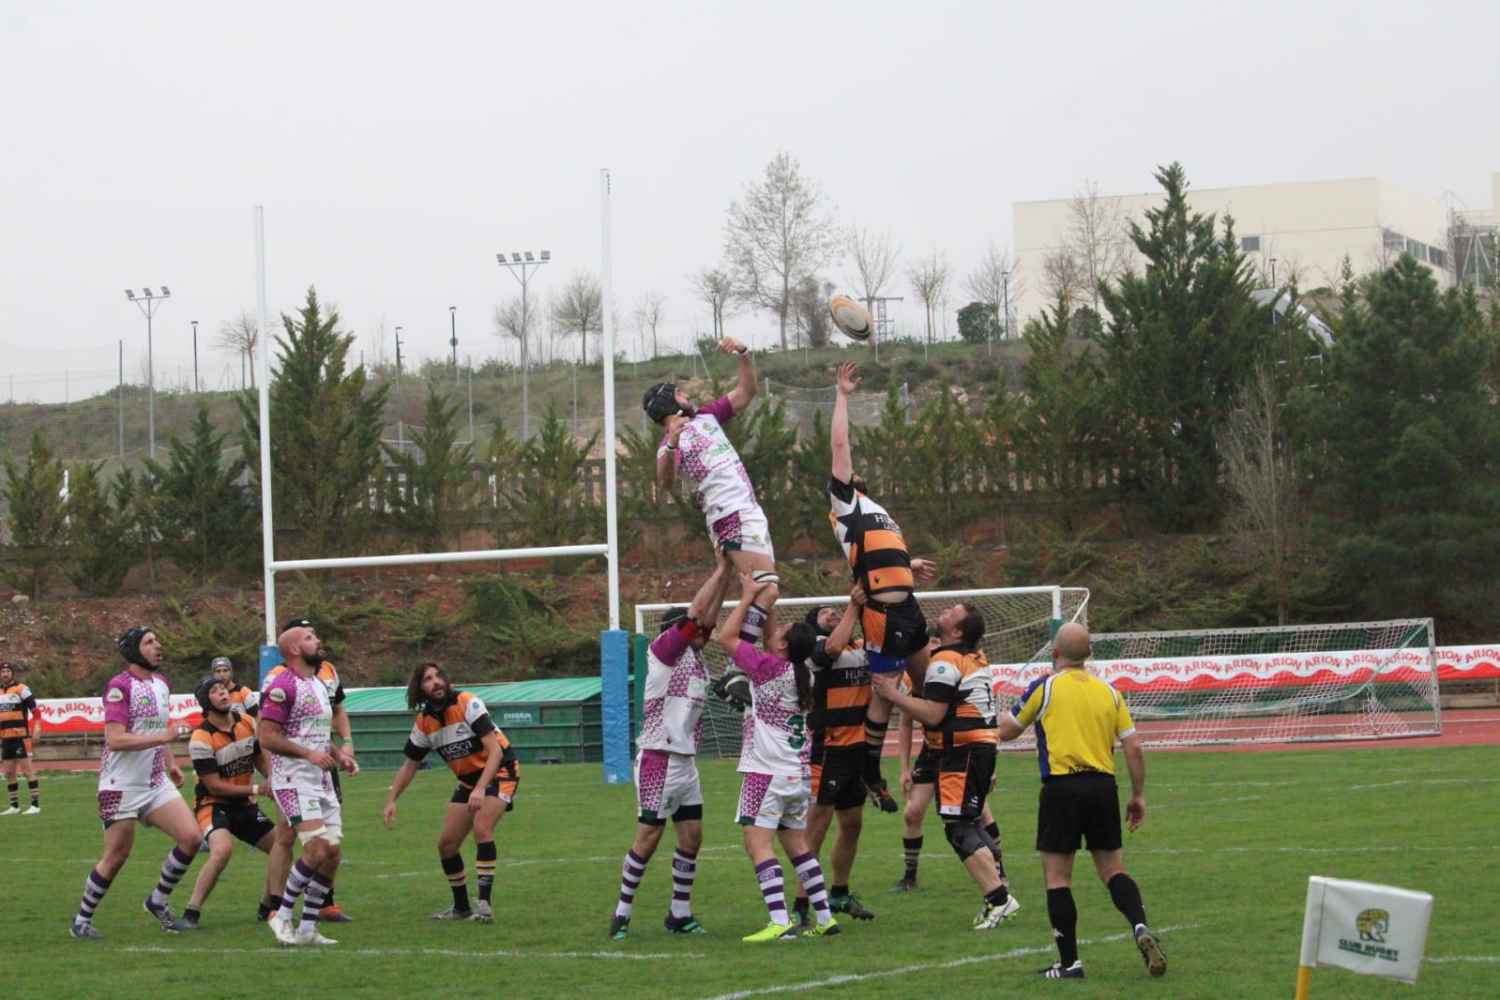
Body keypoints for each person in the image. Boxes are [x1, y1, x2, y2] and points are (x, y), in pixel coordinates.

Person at [996, 622, 1167, 980]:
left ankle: (1070, 963)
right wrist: (1137, 795)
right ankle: (1139, 925)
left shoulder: (1045, 687)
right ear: (1090, 655)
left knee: (1058, 878)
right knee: (1113, 870)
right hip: (1104, 787)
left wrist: (993, 715)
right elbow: (1133, 746)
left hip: (1062, 788)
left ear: (1055, 654)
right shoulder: (1109, 691)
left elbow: (1007, 731)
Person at [827, 361, 936, 810]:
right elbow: (839, 444)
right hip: (882, 614)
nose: (855, 473)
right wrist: (842, 396)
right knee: (887, 694)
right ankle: (871, 770)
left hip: (908, 606)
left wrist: (910, 563)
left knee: (932, 684)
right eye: (850, 474)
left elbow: (883, 552)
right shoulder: (844, 504)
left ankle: (943, 753)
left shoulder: (875, 508)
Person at [873, 602, 1019, 930]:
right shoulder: (972, 657)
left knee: (959, 826)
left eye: (952, 613)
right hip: (973, 748)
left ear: (956, 631)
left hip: (962, 750)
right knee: (968, 820)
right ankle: (997, 892)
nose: (945, 612)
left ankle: (999, 898)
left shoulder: (945, 661)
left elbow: (932, 715)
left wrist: (891, 694)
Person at [610, 556, 730, 940]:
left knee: (692, 835)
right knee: (648, 838)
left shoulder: (695, 658)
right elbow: (698, 614)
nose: (701, 632)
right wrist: (718, 570)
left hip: (685, 762)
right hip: (658, 760)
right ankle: (621, 914)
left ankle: (679, 914)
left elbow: (707, 616)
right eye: (692, 629)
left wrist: (727, 574)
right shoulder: (663, 653)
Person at [715, 572, 839, 942]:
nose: (777, 633)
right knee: (798, 846)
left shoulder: (769, 669)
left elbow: (726, 637)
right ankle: (824, 916)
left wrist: (748, 596)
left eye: (782, 631)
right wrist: (770, 601)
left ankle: (779, 920)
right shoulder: (804, 674)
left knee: (757, 843)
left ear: (784, 647)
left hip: (764, 773)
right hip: (796, 775)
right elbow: (772, 642)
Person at [645, 336, 781, 649]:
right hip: (730, 513)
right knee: (766, 589)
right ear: (669, 404)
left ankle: (756, 657)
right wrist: (673, 442)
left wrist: (744, 354)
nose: (687, 395)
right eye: (680, 393)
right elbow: (664, 482)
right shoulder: (670, 442)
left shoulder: (706, 416)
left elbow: (746, 392)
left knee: (766, 594)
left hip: (746, 508)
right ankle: (741, 659)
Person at [71, 627, 200, 940]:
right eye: (149, 642)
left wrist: (171, 763)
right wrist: (166, 736)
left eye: (157, 639)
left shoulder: (162, 683)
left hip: (154, 781)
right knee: (116, 856)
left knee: (192, 838)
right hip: (121, 785)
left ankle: (157, 900)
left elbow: (156, 727)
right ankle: (82, 921)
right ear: (132, 650)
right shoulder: (119, 686)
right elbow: (114, 739)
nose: (158, 645)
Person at [384, 662, 519, 924]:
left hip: (500, 770)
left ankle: (484, 906)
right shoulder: (424, 723)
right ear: (419, 688)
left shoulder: (467, 702)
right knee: (446, 845)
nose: (435, 682)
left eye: (438, 676)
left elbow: (496, 751)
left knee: (482, 828)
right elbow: (410, 764)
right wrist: (391, 799)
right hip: (469, 782)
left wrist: (481, 789)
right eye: (427, 679)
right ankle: (461, 908)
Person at [258, 622, 356, 946]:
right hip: (293, 778)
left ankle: (308, 928)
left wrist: (338, 754)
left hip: (321, 778)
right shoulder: (281, 686)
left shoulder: (317, 684)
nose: (318, 640)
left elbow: (314, 734)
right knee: (315, 850)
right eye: (310, 638)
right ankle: (282, 917)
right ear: (295, 649)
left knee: (333, 854)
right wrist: (308, 754)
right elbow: (267, 736)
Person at [180, 676, 291, 929]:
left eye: (224, 689)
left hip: (243, 804)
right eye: (215, 691)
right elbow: (213, 785)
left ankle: (269, 906)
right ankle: (191, 912)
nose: (223, 693)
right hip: (213, 804)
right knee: (222, 851)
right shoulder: (200, 738)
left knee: (281, 845)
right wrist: (257, 789)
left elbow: (259, 758)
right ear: (205, 704)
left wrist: (272, 776)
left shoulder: (248, 723)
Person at [790, 600, 875, 926]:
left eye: (835, 610)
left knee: (852, 824)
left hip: (856, 750)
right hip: (828, 749)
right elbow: (835, 645)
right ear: (813, 623)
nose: (833, 612)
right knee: (816, 828)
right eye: (825, 612)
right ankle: (800, 905)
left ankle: (839, 892)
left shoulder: (860, 647)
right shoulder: (814, 649)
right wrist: (854, 604)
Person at [0, 661, 42, 815]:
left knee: (27, 770)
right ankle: (14, 806)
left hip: (21, 737)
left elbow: (36, 711)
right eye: (2, 671)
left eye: (7, 671)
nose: (5, 674)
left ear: (12, 673)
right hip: (5, 739)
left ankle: (35, 805)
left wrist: (37, 728)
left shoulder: (22, 689)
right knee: (9, 773)